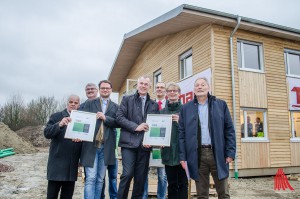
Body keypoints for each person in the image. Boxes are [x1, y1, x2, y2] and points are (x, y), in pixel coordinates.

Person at [178, 77, 236, 199]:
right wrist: (182, 157)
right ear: (194, 89)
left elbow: (229, 130)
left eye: (203, 85)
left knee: (224, 193)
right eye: (197, 85)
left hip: (218, 154)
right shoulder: (185, 108)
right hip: (197, 155)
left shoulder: (221, 105)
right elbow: (181, 134)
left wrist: (230, 152)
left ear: (208, 87)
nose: (200, 87)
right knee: (202, 195)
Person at [116, 75, 159, 199]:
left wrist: (150, 141)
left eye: (146, 84)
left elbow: (154, 125)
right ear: (137, 85)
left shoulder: (153, 104)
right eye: (141, 83)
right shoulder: (126, 99)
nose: (143, 86)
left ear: (149, 86)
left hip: (145, 146)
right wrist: (136, 127)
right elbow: (119, 117)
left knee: (140, 178)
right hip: (128, 144)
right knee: (127, 174)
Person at [80, 80, 119, 199]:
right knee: (90, 178)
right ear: (99, 90)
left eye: (107, 88)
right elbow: (81, 119)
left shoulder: (116, 107)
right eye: (103, 88)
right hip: (90, 146)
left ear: (111, 90)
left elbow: (118, 123)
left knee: (100, 179)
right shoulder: (90, 103)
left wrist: (105, 118)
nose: (105, 90)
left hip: (106, 147)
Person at [44, 94, 82, 199]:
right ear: (67, 103)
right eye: (71, 102)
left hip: (71, 164)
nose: (73, 104)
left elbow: (85, 137)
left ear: (79, 105)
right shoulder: (56, 116)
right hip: (57, 164)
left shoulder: (82, 118)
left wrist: (81, 139)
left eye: (76, 102)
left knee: (67, 196)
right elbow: (47, 133)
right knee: (52, 196)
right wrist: (59, 124)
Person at [161, 82, 188, 199]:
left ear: (179, 94)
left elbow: (193, 131)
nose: (172, 93)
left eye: (175, 91)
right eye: (170, 91)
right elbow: (158, 131)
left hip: (182, 154)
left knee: (182, 184)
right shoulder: (162, 112)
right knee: (171, 184)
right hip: (167, 153)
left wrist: (180, 122)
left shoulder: (186, 110)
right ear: (166, 94)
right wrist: (159, 141)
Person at [143, 82, 167, 199]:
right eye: (157, 87)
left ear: (165, 90)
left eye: (162, 87)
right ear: (154, 90)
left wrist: (165, 141)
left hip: (163, 146)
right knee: (144, 173)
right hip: (148, 145)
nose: (159, 89)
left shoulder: (169, 105)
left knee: (162, 176)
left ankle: (161, 197)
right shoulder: (149, 104)